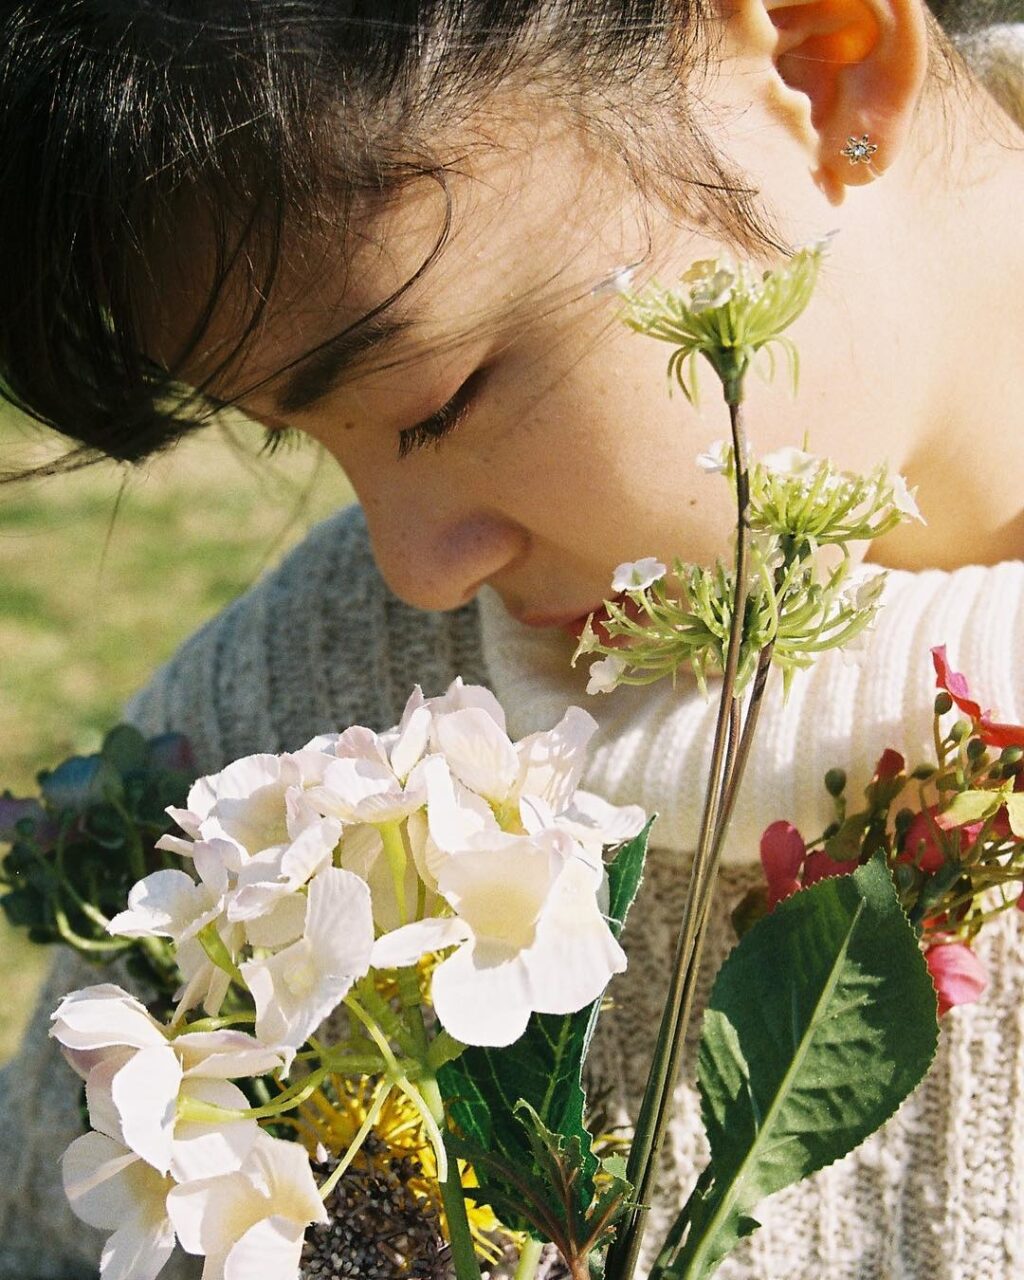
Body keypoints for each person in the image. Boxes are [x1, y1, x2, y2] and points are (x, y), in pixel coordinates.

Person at [1, 3, 1022, 1277]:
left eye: (438, 402)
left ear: (824, 68)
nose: (412, 568)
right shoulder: (280, 745)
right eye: (298, 436)